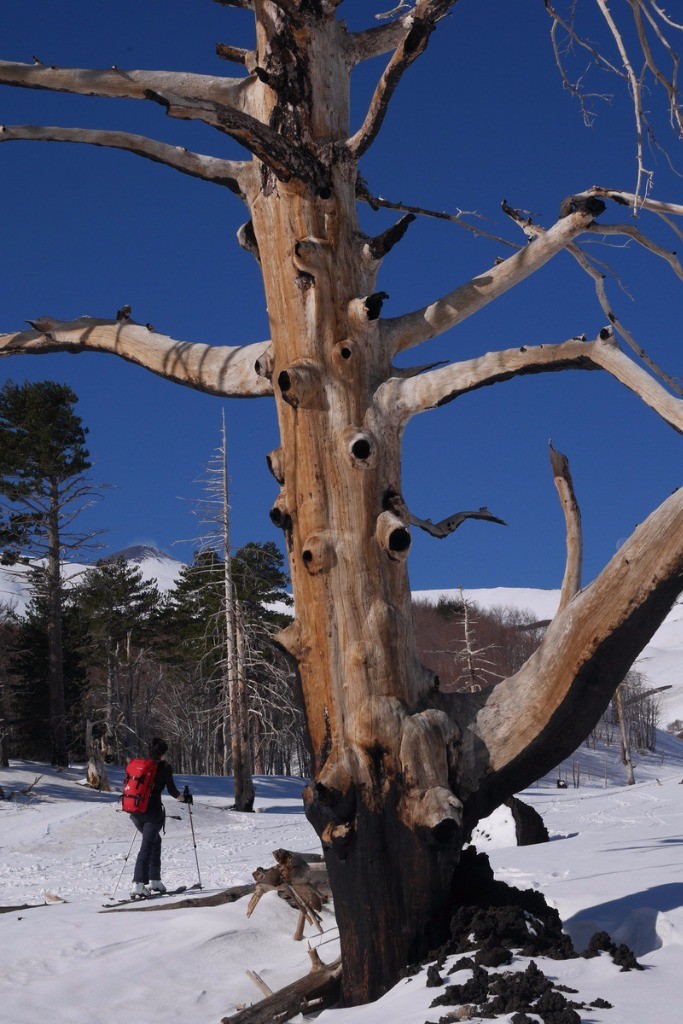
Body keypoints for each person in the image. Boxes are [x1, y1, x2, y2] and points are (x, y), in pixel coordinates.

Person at [129, 737, 189, 898]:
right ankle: (138, 884)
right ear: (163, 753)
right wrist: (185, 798)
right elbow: (173, 791)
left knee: (155, 841)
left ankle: (154, 880)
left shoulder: (142, 766)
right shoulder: (164, 767)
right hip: (152, 814)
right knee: (147, 846)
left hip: (134, 812)